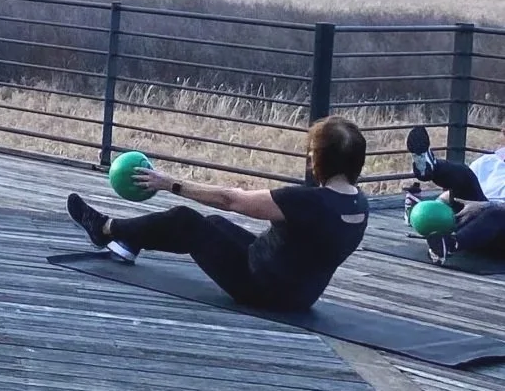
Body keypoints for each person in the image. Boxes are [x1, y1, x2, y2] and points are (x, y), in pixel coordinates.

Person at [64, 116, 370, 310]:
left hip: (260, 288)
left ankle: (104, 228)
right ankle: (131, 240)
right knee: (213, 224)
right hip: (299, 294)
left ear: (320, 160)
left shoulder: (309, 202)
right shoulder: (360, 204)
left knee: (187, 221)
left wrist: (168, 183)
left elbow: (230, 199)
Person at [404, 123, 505, 262]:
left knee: (497, 213)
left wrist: (484, 207)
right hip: (469, 219)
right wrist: (429, 208)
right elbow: (461, 188)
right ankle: (429, 166)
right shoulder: (488, 162)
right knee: (464, 173)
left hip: (499, 232)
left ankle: (449, 245)